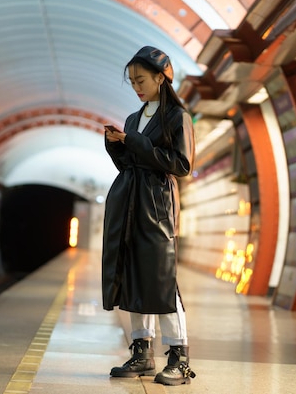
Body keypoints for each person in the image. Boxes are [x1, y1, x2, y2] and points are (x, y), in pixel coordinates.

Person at [101, 46, 195, 386]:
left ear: (161, 77)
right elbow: (132, 162)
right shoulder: (132, 118)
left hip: (157, 206)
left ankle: (179, 357)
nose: (137, 87)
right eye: (132, 82)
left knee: (161, 279)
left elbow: (181, 165)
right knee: (131, 275)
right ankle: (142, 351)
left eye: (141, 79)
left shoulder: (177, 117)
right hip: (129, 202)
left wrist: (136, 142)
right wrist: (117, 146)